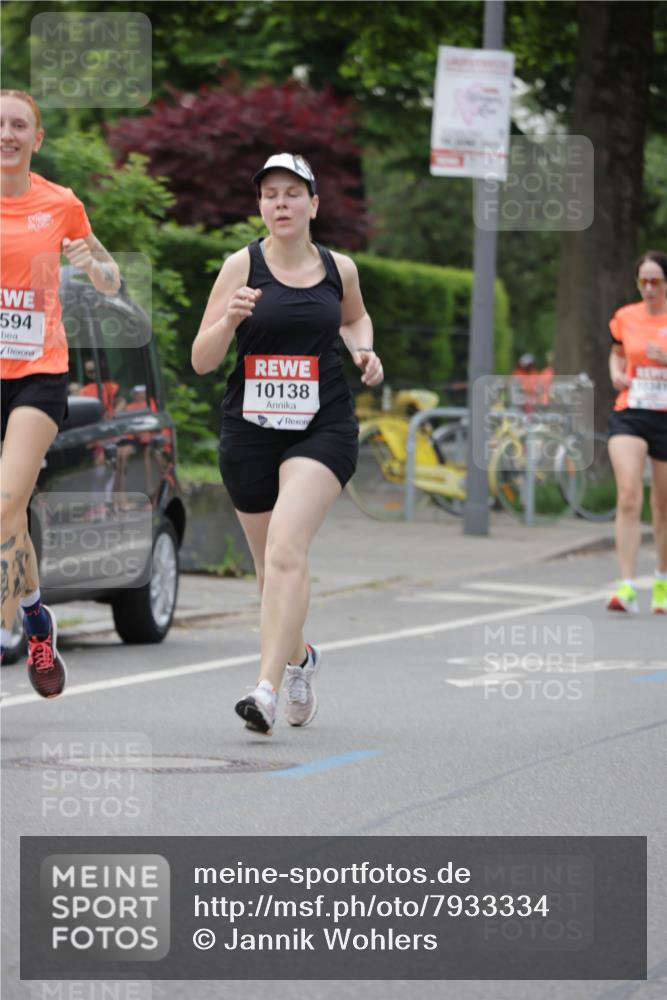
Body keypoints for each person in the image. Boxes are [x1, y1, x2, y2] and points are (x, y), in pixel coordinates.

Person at [192, 152, 383, 735]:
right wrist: (229, 319)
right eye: (270, 194)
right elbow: (202, 361)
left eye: (292, 193)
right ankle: (300, 659)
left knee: (285, 551)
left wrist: (362, 349)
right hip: (250, 432)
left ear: (313, 204)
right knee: (268, 570)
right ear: (260, 206)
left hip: (321, 427)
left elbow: (355, 319)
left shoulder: (338, 267)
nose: (281, 202)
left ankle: (266, 689)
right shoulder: (240, 266)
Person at [0, 90, 120, 695]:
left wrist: (89, 260)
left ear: (36, 139)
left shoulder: (60, 204)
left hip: (36, 375)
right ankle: (34, 617)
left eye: (18, 125)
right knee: (9, 516)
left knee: (1, 502)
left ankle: (6, 638)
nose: (6, 134)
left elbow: (110, 278)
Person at [607, 250, 667, 614]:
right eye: (642, 281)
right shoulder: (625, 317)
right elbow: (616, 352)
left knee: (663, 505)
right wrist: (615, 371)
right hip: (631, 411)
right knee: (629, 494)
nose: (648, 288)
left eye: (655, 281)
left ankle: (662, 581)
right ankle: (625, 587)